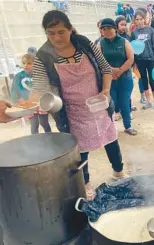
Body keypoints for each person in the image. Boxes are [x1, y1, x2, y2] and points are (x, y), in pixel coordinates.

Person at [29, 10, 127, 199]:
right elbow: (39, 86)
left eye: (60, 32)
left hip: (98, 104)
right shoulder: (44, 56)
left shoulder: (84, 43)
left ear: (70, 29)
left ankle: (118, 171)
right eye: (50, 33)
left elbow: (105, 68)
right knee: (79, 151)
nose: (56, 37)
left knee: (111, 139)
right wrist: (28, 102)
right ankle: (86, 183)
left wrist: (106, 91)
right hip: (72, 113)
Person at [99, 18, 137, 136]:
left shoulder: (124, 41)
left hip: (125, 78)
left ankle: (128, 126)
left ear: (114, 29)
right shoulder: (100, 43)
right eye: (104, 29)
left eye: (109, 28)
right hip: (109, 80)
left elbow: (131, 58)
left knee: (124, 102)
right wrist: (110, 71)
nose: (107, 31)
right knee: (112, 104)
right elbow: (99, 61)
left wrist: (119, 71)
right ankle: (111, 129)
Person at [11, 54, 52, 135]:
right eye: (24, 63)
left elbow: (46, 87)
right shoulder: (18, 76)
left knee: (44, 123)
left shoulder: (40, 75)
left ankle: (50, 137)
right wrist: (18, 99)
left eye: (29, 63)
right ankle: (34, 141)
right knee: (34, 124)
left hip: (40, 103)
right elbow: (14, 90)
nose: (26, 65)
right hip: (27, 104)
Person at [131, 10, 154, 110]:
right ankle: (148, 102)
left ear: (144, 19)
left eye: (141, 19)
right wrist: (134, 63)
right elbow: (133, 48)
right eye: (137, 19)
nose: (139, 21)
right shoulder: (133, 33)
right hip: (140, 60)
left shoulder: (150, 30)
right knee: (143, 80)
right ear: (134, 21)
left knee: (153, 80)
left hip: (151, 59)